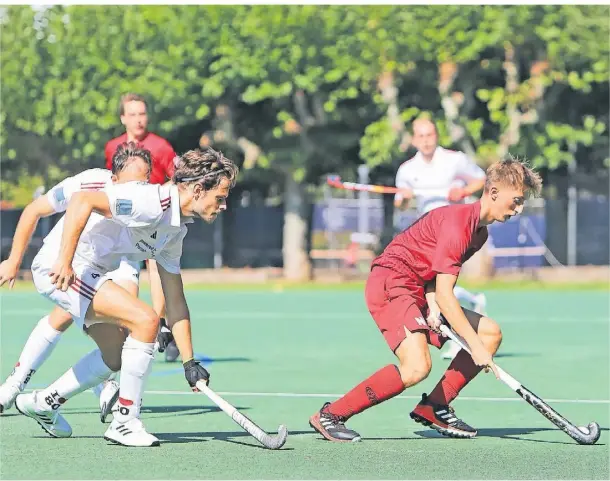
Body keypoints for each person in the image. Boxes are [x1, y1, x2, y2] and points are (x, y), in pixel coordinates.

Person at [13, 144, 238, 447]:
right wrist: (64, 261)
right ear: (198, 190)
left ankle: (44, 402)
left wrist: (189, 361)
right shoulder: (149, 202)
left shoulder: (175, 230)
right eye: (220, 197)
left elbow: (175, 300)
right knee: (145, 321)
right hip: (61, 269)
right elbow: (82, 200)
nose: (223, 205)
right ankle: (125, 422)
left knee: (115, 355)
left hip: (91, 271)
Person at [310, 156, 542, 442]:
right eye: (516, 200)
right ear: (493, 192)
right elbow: (447, 294)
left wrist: (432, 304)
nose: (518, 209)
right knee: (417, 366)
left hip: (419, 288)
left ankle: (435, 406)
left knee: (490, 334)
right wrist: (474, 347)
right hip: (392, 282)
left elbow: (435, 278)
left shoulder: (478, 234)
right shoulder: (459, 225)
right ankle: (331, 414)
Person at [0, 145, 165, 422]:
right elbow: (34, 210)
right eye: (131, 182)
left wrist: (162, 317)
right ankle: (15, 385)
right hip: (68, 268)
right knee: (121, 319)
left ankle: (49, 401)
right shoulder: (90, 182)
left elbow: (160, 263)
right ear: (113, 179)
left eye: (144, 181)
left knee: (119, 346)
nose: (138, 188)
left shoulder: (147, 205)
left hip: (112, 266)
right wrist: (14, 260)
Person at [394, 117, 488, 360]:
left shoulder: (454, 160)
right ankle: (472, 301)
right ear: (414, 139)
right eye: (421, 136)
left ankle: (458, 339)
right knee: (434, 284)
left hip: (453, 229)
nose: (426, 141)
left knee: (440, 284)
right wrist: (403, 197)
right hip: (425, 234)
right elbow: (402, 205)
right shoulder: (407, 170)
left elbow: (481, 180)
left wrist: (464, 191)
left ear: (436, 136)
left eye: (430, 135)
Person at [105, 93, 180, 362]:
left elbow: (179, 177)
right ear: (123, 118)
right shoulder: (113, 146)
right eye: (133, 114)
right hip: (125, 222)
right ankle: (129, 322)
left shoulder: (160, 146)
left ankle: (161, 322)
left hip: (154, 219)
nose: (138, 119)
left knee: (155, 264)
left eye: (142, 114)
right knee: (123, 270)